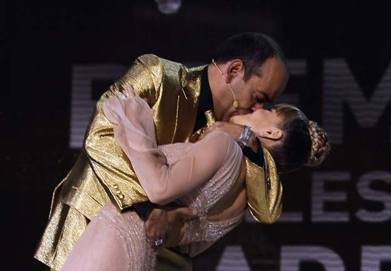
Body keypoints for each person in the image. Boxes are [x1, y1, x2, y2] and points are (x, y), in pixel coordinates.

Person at [35, 32, 289, 271]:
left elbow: (266, 209)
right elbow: (102, 137)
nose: (258, 109)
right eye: (258, 97)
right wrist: (147, 209)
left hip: (165, 253)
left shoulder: (237, 136)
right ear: (234, 70)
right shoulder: (158, 75)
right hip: (98, 222)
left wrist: (251, 141)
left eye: (266, 105)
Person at [59, 88, 329, 271]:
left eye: (267, 109)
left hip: (114, 237)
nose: (257, 107)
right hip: (137, 253)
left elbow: (159, 187)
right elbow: (170, 236)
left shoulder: (225, 145)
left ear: (272, 132)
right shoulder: (240, 205)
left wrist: (133, 122)